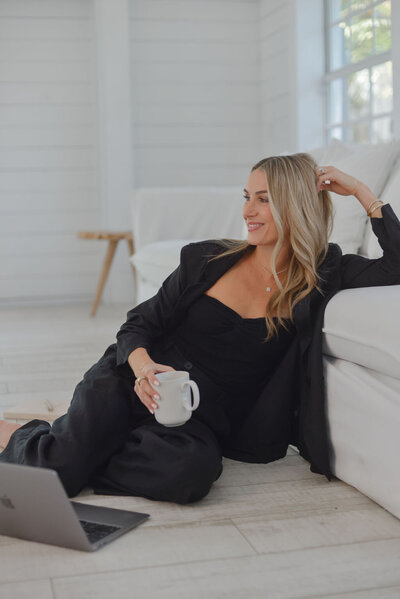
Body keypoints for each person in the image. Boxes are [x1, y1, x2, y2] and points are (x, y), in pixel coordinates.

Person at [1, 153, 400, 505]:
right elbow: (138, 324)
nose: (247, 211)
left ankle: (80, 446)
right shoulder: (207, 259)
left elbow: (396, 265)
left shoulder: (323, 275)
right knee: (56, 475)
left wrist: (362, 192)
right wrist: (143, 368)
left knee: (188, 475)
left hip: (193, 419)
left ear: (296, 205)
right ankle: (29, 437)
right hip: (130, 381)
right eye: (246, 197)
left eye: (263, 199)